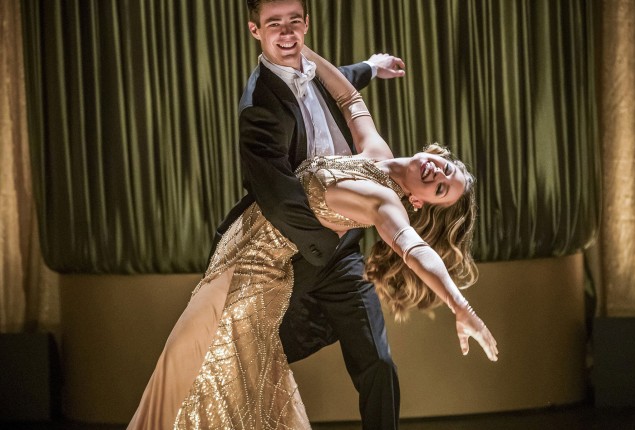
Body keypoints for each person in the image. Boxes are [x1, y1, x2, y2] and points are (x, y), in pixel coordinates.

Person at [127, 41, 498, 429]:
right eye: (445, 169)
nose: (438, 175)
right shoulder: (375, 151)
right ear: (436, 153)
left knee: (200, 373)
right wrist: (298, 52)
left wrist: (461, 307)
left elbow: (414, 248)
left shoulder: (387, 203)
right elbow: (346, 95)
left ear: (420, 202)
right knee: (189, 371)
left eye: (441, 188)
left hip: (259, 274)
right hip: (236, 246)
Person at [207, 0, 406, 428]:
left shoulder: (313, 71)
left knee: (379, 362)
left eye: (294, 21)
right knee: (254, 362)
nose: (286, 32)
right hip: (291, 256)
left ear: (306, 24)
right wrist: (330, 237)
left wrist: (372, 67)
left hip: (343, 252)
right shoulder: (258, 106)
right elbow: (280, 200)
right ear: (255, 31)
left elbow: (342, 82)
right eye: (274, 24)